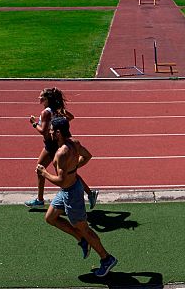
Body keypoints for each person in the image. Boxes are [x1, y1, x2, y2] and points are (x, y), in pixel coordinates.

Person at [37, 117, 118, 277]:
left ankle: (106, 258)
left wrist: (44, 173)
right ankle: (82, 240)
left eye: (52, 130)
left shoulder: (61, 153)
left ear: (58, 132)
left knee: (85, 229)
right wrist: (73, 169)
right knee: (50, 218)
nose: (50, 132)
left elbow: (60, 179)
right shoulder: (75, 143)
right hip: (67, 190)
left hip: (72, 194)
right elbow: (88, 156)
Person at [26, 88, 99, 208]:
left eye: (41, 97)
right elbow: (71, 117)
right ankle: (90, 193)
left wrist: (34, 123)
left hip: (52, 144)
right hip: (53, 143)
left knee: (60, 173)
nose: (39, 99)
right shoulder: (57, 110)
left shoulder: (46, 112)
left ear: (47, 99)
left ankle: (41, 200)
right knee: (60, 171)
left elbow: (43, 131)